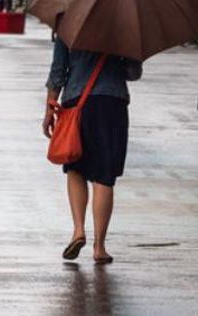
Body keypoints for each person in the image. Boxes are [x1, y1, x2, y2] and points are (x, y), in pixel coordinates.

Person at [42, 29, 141, 265]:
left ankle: (78, 230)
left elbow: (58, 71)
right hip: (111, 103)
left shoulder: (70, 23)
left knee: (75, 167)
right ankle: (100, 247)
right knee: (104, 176)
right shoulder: (124, 26)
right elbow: (133, 72)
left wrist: (48, 110)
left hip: (76, 101)